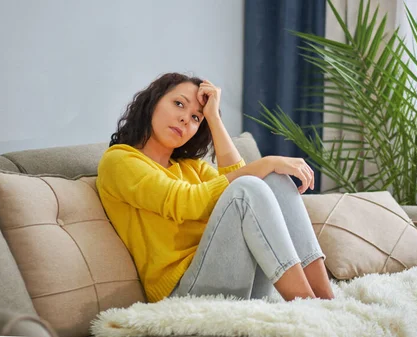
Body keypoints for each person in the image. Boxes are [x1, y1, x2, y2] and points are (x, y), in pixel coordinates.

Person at [96, 72, 335, 303]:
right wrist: (267, 161)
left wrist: (214, 118)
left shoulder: (191, 168)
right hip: (182, 293)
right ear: (152, 103)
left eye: (196, 118)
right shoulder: (119, 160)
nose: (185, 119)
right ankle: (307, 305)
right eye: (179, 104)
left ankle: (327, 301)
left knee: (273, 179)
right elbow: (185, 201)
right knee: (253, 183)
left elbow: (242, 181)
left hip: (236, 279)